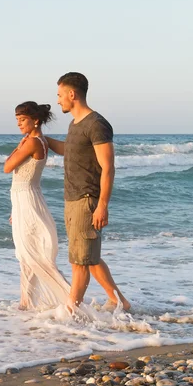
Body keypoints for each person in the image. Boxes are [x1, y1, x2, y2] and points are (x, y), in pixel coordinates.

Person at [44, 72, 131, 312]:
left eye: (60, 94)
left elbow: (108, 166)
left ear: (72, 94)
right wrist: (43, 139)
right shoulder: (75, 125)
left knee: (80, 263)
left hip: (86, 200)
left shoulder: (96, 124)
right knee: (89, 258)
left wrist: (102, 204)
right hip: (72, 200)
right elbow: (68, 151)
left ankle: (71, 314)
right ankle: (119, 301)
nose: (58, 100)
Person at [4, 101, 70, 310]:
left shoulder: (32, 142)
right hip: (25, 198)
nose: (19, 124)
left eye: (22, 120)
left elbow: (7, 167)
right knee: (27, 253)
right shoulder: (40, 140)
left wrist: (19, 146)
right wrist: (16, 209)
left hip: (27, 198)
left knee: (30, 254)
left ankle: (68, 299)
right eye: (17, 120)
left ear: (36, 121)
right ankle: (26, 301)